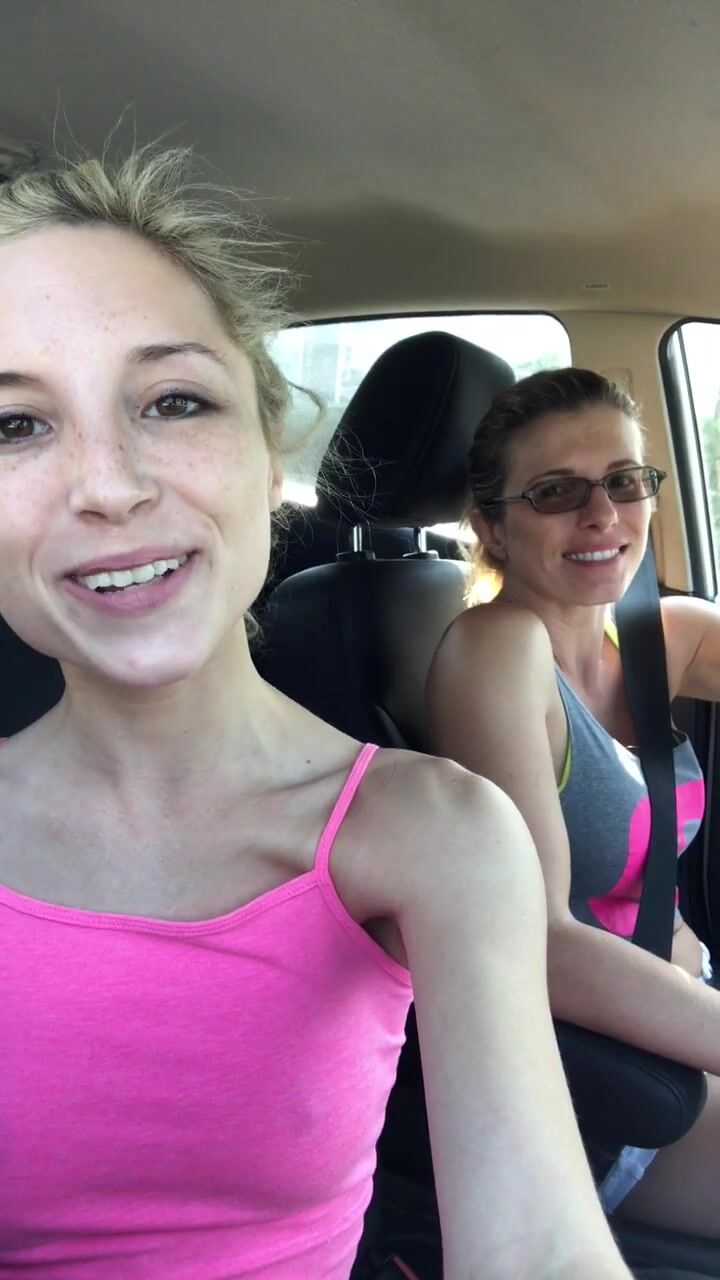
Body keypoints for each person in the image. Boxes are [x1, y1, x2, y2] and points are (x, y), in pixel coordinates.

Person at [0, 152, 630, 1280]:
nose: (110, 485)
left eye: (175, 401)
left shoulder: (436, 832)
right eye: (14, 426)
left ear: (266, 456)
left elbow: (541, 1246)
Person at [427, 366, 720, 1238]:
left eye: (625, 482)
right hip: (613, 1084)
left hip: (688, 1012)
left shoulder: (658, 635)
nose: (602, 515)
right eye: (557, 492)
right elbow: (541, 944)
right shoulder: (497, 651)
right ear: (493, 527)